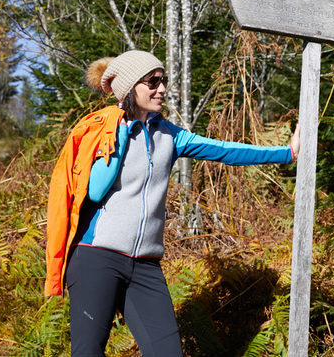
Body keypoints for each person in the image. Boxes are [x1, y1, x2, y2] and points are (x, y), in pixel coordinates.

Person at [45, 50, 300, 357]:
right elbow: (96, 190)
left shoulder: (169, 136)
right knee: (88, 352)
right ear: (129, 88)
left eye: (162, 81)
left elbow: (225, 150)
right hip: (96, 258)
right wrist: (122, 134)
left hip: (145, 265)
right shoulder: (105, 131)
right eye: (152, 82)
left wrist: (287, 153)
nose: (161, 89)